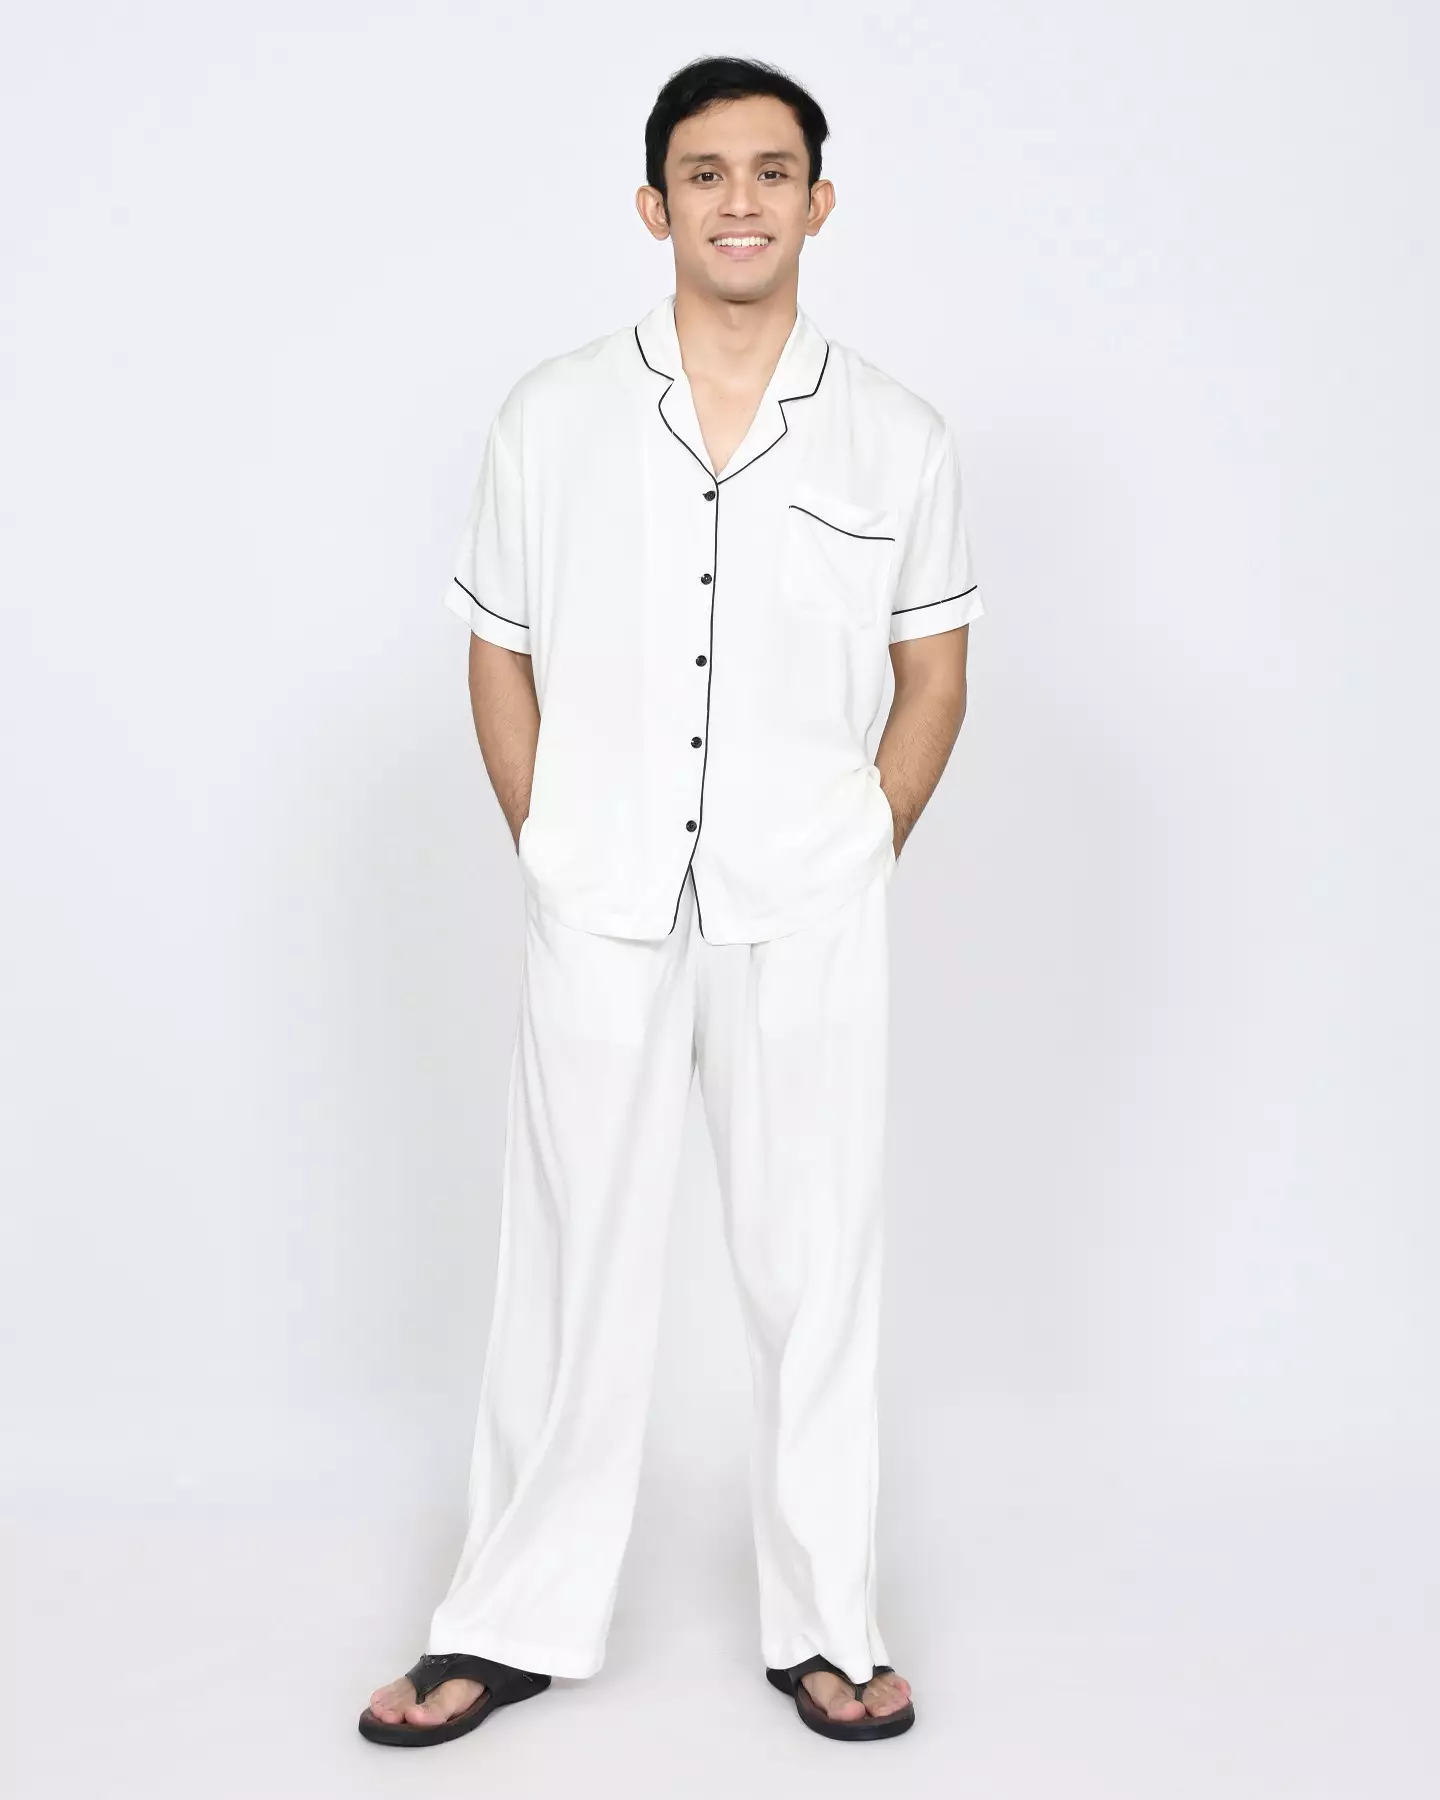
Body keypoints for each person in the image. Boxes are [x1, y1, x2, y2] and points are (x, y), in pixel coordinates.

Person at [359, 53, 982, 1749]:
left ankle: (827, 1624)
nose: (740, 200)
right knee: (567, 1262)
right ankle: (505, 1619)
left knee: (817, 1270)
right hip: (605, 892)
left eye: (772, 170)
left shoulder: (899, 434)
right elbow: (499, 651)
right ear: (655, 206)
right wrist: (551, 842)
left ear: (820, 203)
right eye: (705, 173)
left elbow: (934, 670)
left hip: (809, 901)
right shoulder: (551, 415)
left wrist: (865, 841)